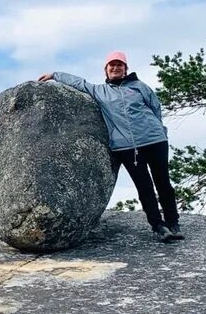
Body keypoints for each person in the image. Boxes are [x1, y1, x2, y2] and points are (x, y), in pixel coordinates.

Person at [38, 51, 183, 242]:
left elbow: (155, 108)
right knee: (144, 187)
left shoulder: (140, 87)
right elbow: (79, 83)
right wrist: (55, 75)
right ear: (106, 70)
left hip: (155, 141)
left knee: (163, 183)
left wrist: (159, 130)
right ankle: (158, 226)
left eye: (120, 65)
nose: (116, 68)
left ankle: (173, 222)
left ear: (125, 69)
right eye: (112, 65)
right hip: (127, 147)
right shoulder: (100, 91)